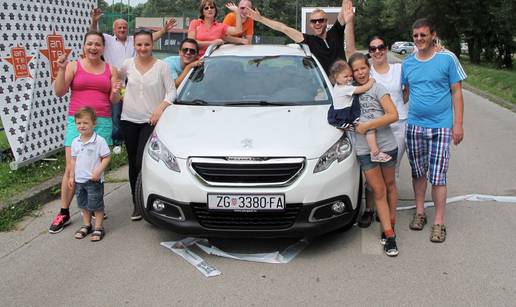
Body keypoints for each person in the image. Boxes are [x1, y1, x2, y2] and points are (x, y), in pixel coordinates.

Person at [343, 3, 407, 227]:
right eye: (373, 48)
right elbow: (350, 54)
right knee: (373, 180)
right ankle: (371, 209)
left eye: (381, 47)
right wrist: (349, 22)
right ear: (369, 54)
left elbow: (401, 101)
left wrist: (441, 50)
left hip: (394, 130)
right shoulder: (360, 81)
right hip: (368, 136)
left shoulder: (398, 69)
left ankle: (388, 218)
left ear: (386, 48)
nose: (378, 50)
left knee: (390, 179)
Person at [402, 18, 466, 243]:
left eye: (423, 35)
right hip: (414, 126)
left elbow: (457, 92)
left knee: (438, 176)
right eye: (416, 35)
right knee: (418, 172)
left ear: (432, 35)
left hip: (441, 127)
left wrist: (458, 124)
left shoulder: (447, 58)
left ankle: (439, 222)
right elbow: (404, 93)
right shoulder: (408, 63)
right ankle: (420, 212)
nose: (419, 39)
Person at [49, 31, 119, 233]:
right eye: (89, 44)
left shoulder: (111, 69)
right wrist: (61, 70)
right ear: (84, 46)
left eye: (97, 44)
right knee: (72, 168)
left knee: (96, 169)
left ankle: (94, 206)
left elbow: (114, 99)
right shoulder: (73, 66)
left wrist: (116, 91)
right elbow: (59, 91)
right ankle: (64, 212)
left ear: (103, 48)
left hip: (102, 122)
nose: (93, 48)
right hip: (77, 123)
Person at [90, 8, 176, 147]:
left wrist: (164, 30)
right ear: (114, 29)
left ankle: (131, 140)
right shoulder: (108, 40)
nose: (122, 29)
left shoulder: (133, 40)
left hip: (135, 81)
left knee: (134, 112)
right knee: (117, 113)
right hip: (116, 82)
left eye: (124, 27)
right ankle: (118, 141)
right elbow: (94, 34)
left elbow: (150, 38)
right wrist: (94, 21)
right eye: (119, 27)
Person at [117, 29, 177, 220]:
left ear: (153, 45)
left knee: (141, 161)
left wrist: (160, 109)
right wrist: (121, 93)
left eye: (147, 44)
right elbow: (118, 82)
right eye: (139, 44)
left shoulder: (162, 66)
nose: (143, 48)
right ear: (134, 46)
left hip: (150, 121)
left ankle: (147, 199)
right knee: (132, 162)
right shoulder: (127, 64)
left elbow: (171, 92)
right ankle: (137, 203)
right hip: (128, 119)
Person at [349, 52, 400, 256]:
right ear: (351, 73)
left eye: (363, 68)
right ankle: (389, 236)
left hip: (387, 145)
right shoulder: (350, 92)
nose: (360, 72)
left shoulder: (379, 88)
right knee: (377, 190)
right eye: (356, 70)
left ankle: (390, 227)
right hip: (364, 150)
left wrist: (369, 125)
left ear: (368, 67)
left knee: (389, 186)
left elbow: (393, 115)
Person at [245, 0, 353, 73]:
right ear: (310, 24)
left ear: (326, 21)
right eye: (314, 21)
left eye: (320, 20)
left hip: (347, 83)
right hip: (327, 89)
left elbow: (345, 7)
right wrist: (261, 19)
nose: (317, 23)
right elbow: (283, 28)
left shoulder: (335, 32)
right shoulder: (308, 41)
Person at [327, 60, 392, 162]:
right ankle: (375, 153)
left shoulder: (338, 86)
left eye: (350, 76)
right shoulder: (344, 88)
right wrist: (371, 81)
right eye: (345, 77)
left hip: (339, 116)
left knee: (362, 130)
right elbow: (363, 88)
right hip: (345, 117)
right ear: (336, 77)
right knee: (368, 129)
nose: (349, 79)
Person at [69, 107, 111, 242]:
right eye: (79, 123)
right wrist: (71, 176)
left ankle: (98, 227)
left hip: (93, 180)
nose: (82, 126)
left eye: (85, 123)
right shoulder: (75, 142)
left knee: (96, 205)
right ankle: (87, 225)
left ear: (94, 123)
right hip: (79, 181)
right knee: (83, 204)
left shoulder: (99, 141)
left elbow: (106, 157)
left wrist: (99, 170)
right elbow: (73, 160)